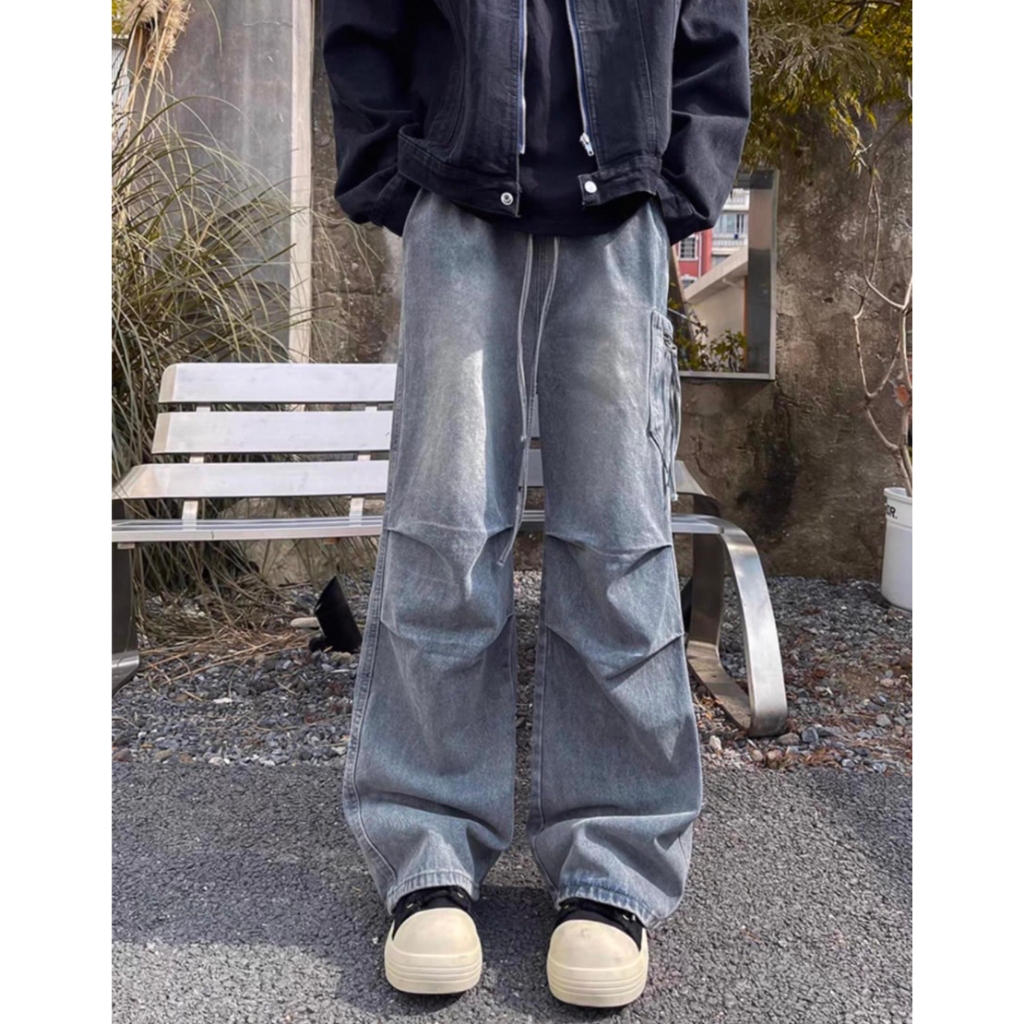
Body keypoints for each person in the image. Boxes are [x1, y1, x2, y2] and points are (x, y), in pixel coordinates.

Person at [322, 0, 750, 1008]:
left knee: (620, 543)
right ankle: (427, 849)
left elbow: (711, 31)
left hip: (619, 213)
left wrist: (674, 188)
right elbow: (360, 23)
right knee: (442, 536)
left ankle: (613, 861)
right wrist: (401, 181)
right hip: (458, 206)